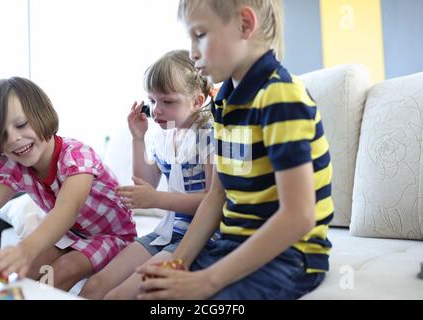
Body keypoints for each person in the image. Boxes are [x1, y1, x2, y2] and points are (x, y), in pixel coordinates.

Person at [136, 0, 333, 300]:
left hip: (289, 256)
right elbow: (217, 195)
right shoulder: (225, 102)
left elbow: (299, 215)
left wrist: (207, 281)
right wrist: (179, 261)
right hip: (230, 244)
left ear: (244, 25)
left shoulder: (280, 96)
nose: (192, 52)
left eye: (199, 34)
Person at [0, 77, 136, 291]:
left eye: (21, 125)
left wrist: (26, 248)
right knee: (30, 269)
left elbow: (67, 209)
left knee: (63, 270)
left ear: (42, 115)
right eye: (2, 135)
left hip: (115, 237)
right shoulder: (16, 165)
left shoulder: (77, 156)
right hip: (72, 236)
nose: (13, 138)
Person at [79, 50, 215, 299]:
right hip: (167, 232)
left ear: (196, 101)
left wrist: (156, 199)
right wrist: (138, 138)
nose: (157, 111)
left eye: (167, 102)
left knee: (118, 296)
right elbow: (146, 182)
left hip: (198, 238)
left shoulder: (207, 136)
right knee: (95, 285)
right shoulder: (162, 136)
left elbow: (211, 200)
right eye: (152, 101)